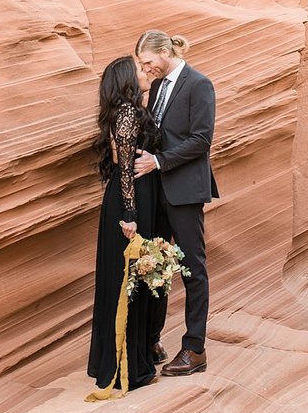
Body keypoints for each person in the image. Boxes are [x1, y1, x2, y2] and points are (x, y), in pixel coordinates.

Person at [134, 30, 217, 376]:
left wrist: (158, 161)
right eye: (142, 64)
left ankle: (194, 349)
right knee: (156, 266)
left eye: (148, 62)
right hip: (156, 190)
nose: (146, 68)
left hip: (184, 190)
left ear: (166, 52)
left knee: (192, 270)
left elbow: (201, 139)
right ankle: (152, 340)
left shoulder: (199, 84)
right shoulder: (156, 87)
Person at [87, 55, 161, 392]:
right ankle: (129, 367)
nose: (145, 70)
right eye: (138, 68)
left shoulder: (127, 111)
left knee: (126, 279)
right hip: (129, 202)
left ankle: (120, 360)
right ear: (127, 80)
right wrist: (130, 215)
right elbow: (128, 168)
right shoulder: (129, 112)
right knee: (128, 282)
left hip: (126, 198)